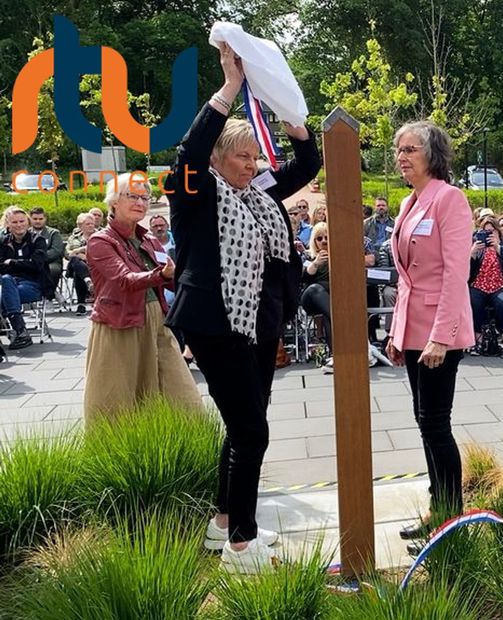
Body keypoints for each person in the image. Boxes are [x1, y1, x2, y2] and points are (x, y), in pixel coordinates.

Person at [164, 42, 320, 574]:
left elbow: (309, 162)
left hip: (258, 328)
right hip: (217, 325)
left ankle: (225, 522)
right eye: (241, 156)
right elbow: (187, 154)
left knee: (242, 426)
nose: (251, 165)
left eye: (255, 157)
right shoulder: (193, 190)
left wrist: (291, 113)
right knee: (253, 431)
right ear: (217, 159)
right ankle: (241, 546)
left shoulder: (258, 193)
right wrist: (231, 87)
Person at [384, 120, 475, 544]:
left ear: (433, 154)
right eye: (399, 150)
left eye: (410, 150)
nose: (402, 157)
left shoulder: (448, 199)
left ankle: (449, 518)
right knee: (425, 423)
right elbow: (407, 278)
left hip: (441, 332)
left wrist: (440, 335)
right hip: (414, 330)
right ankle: (437, 508)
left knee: (436, 423)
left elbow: (456, 274)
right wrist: (397, 332)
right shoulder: (408, 203)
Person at [83, 173, 201, 421]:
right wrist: (161, 274)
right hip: (119, 324)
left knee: (183, 395)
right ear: (114, 201)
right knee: (117, 402)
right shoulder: (100, 241)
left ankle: (191, 449)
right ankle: (115, 456)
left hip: (157, 321)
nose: (141, 202)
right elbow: (124, 279)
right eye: (133, 196)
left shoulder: (148, 239)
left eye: (145, 198)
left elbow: (168, 277)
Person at [469, 214, 503, 358]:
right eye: (485, 232)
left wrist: (497, 247)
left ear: (497, 232)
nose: (488, 235)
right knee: (473, 301)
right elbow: (465, 270)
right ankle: (477, 340)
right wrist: (472, 253)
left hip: (500, 286)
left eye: (491, 232)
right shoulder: (476, 248)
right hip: (478, 284)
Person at [0, 207, 47, 350]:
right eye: (14, 222)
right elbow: (1, 266)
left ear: (27, 222)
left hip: (32, 285)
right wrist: (24, 264)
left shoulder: (38, 240)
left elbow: (37, 266)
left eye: (22, 221)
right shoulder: (3, 242)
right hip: (9, 284)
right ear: (8, 224)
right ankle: (20, 330)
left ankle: (17, 330)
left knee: (6, 286)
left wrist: (13, 262)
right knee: (7, 280)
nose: (19, 225)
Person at [300, 222, 333, 356]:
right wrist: (316, 263)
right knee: (315, 288)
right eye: (319, 238)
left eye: (327, 237)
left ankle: (335, 354)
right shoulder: (308, 255)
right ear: (314, 241)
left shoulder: (338, 255)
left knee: (328, 314)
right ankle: (338, 319)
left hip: (331, 299)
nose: (323, 241)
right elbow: (304, 278)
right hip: (311, 297)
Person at [28, 207, 64, 299]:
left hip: (51, 262)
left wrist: (39, 258)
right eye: (35, 219)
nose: (38, 221)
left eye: (40, 219)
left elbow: (56, 251)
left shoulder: (54, 233)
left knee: (52, 270)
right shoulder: (26, 233)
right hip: (30, 263)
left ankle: (49, 297)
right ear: (30, 219)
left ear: (45, 219)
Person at [65, 213, 97, 315]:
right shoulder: (73, 238)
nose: (91, 226)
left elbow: (101, 251)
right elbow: (68, 253)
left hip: (95, 266)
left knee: (78, 274)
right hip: (76, 264)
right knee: (75, 260)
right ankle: (88, 281)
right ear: (80, 226)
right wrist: (80, 256)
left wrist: (80, 250)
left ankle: (81, 305)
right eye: (88, 224)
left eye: (92, 223)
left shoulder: (99, 235)